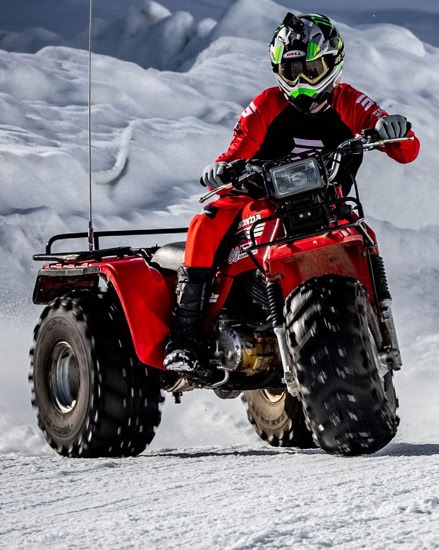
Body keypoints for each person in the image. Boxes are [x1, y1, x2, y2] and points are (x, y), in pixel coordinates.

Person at [164, 12, 420, 373]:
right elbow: (237, 150)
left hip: (327, 201)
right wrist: (223, 168)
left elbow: (406, 149)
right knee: (204, 223)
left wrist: (393, 128)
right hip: (261, 196)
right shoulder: (267, 104)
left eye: (312, 70)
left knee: (364, 238)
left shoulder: (349, 102)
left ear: (333, 64)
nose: (302, 81)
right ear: (277, 71)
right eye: (292, 71)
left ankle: (378, 328)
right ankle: (185, 336)